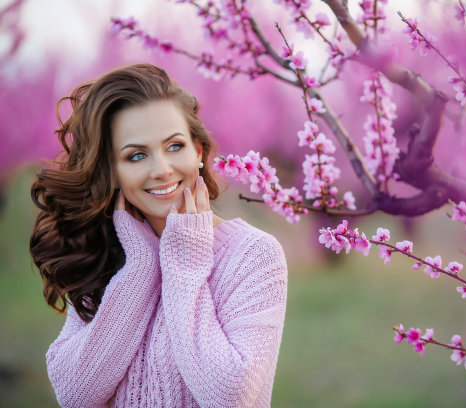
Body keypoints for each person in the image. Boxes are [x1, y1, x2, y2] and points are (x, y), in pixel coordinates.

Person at [29, 63, 288, 407]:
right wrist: (140, 268)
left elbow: (231, 397)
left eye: (174, 146)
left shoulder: (253, 254)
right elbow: (75, 394)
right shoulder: (108, 251)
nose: (162, 169)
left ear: (198, 151)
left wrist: (185, 264)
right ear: (113, 171)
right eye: (136, 155)